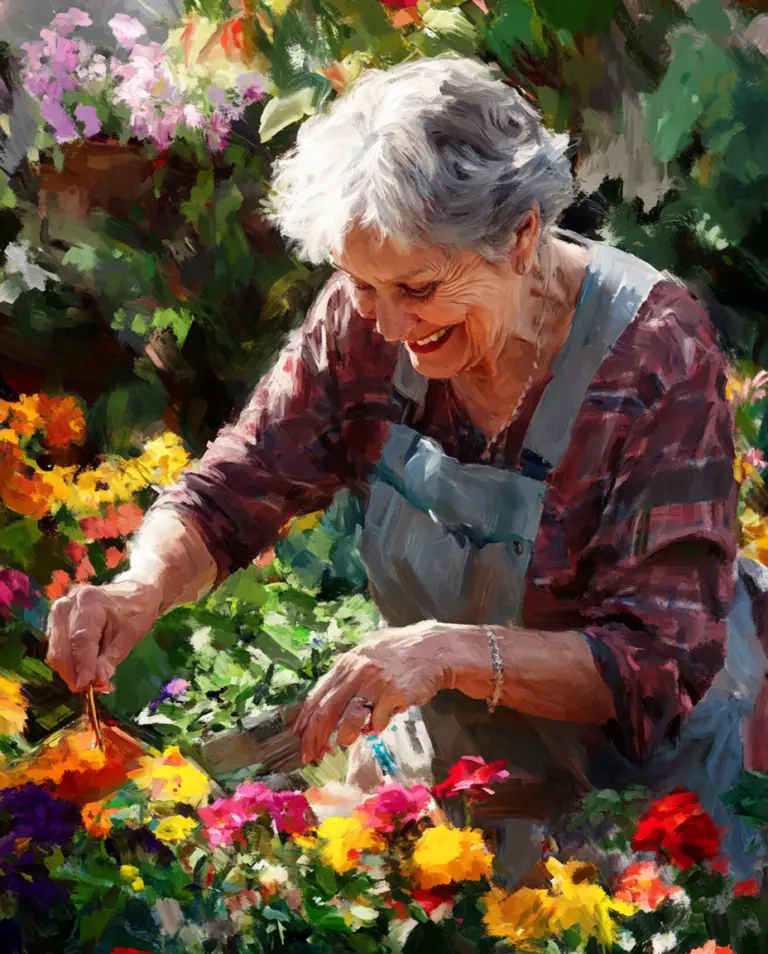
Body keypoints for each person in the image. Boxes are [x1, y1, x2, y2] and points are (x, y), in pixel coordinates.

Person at [47, 57, 765, 879]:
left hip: (646, 813)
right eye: (361, 286)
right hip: (463, 781)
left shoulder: (651, 355)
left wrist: (445, 654)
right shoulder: (370, 318)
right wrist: (142, 586)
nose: (386, 325)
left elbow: (656, 666)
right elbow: (234, 487)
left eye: (418, 287)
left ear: (523, 236)